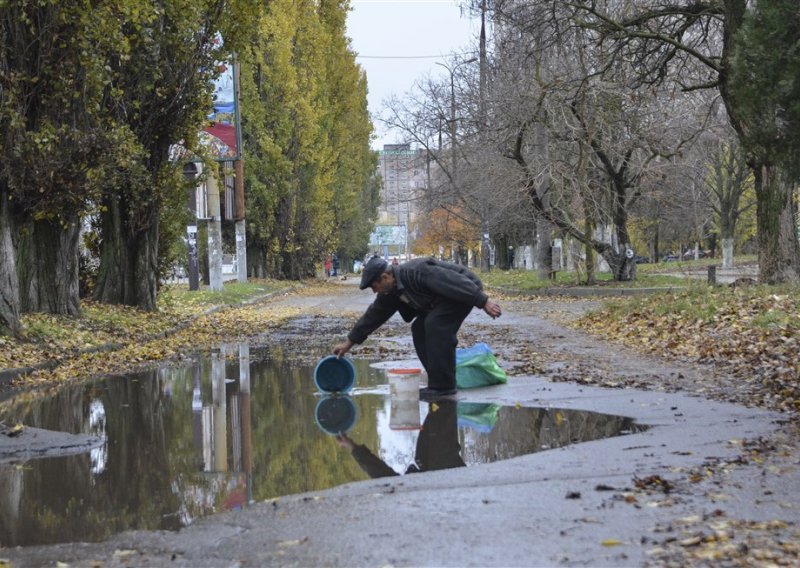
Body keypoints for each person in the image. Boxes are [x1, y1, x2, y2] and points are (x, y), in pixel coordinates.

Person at [332, 256, 502, 398]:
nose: (374, 292)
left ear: (385, 277)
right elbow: (373, 316)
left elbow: (453, 282)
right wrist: (349, 342)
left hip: (464, 288)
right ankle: (438, 379)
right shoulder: (390, 291)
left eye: (374, 286)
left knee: (436, 324)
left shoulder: (416, 271)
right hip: (441, 299)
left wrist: (483, 301)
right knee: (419, 329)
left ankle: (443, 387)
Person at [335, 399, 465, 477]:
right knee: (442, 402)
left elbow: (382, 474)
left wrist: (353, 448)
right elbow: (382, 474)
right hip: (439, 463)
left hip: (435, 464)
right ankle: (442, 394)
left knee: (441, 401)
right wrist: (353, 447)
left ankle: (442, 394)